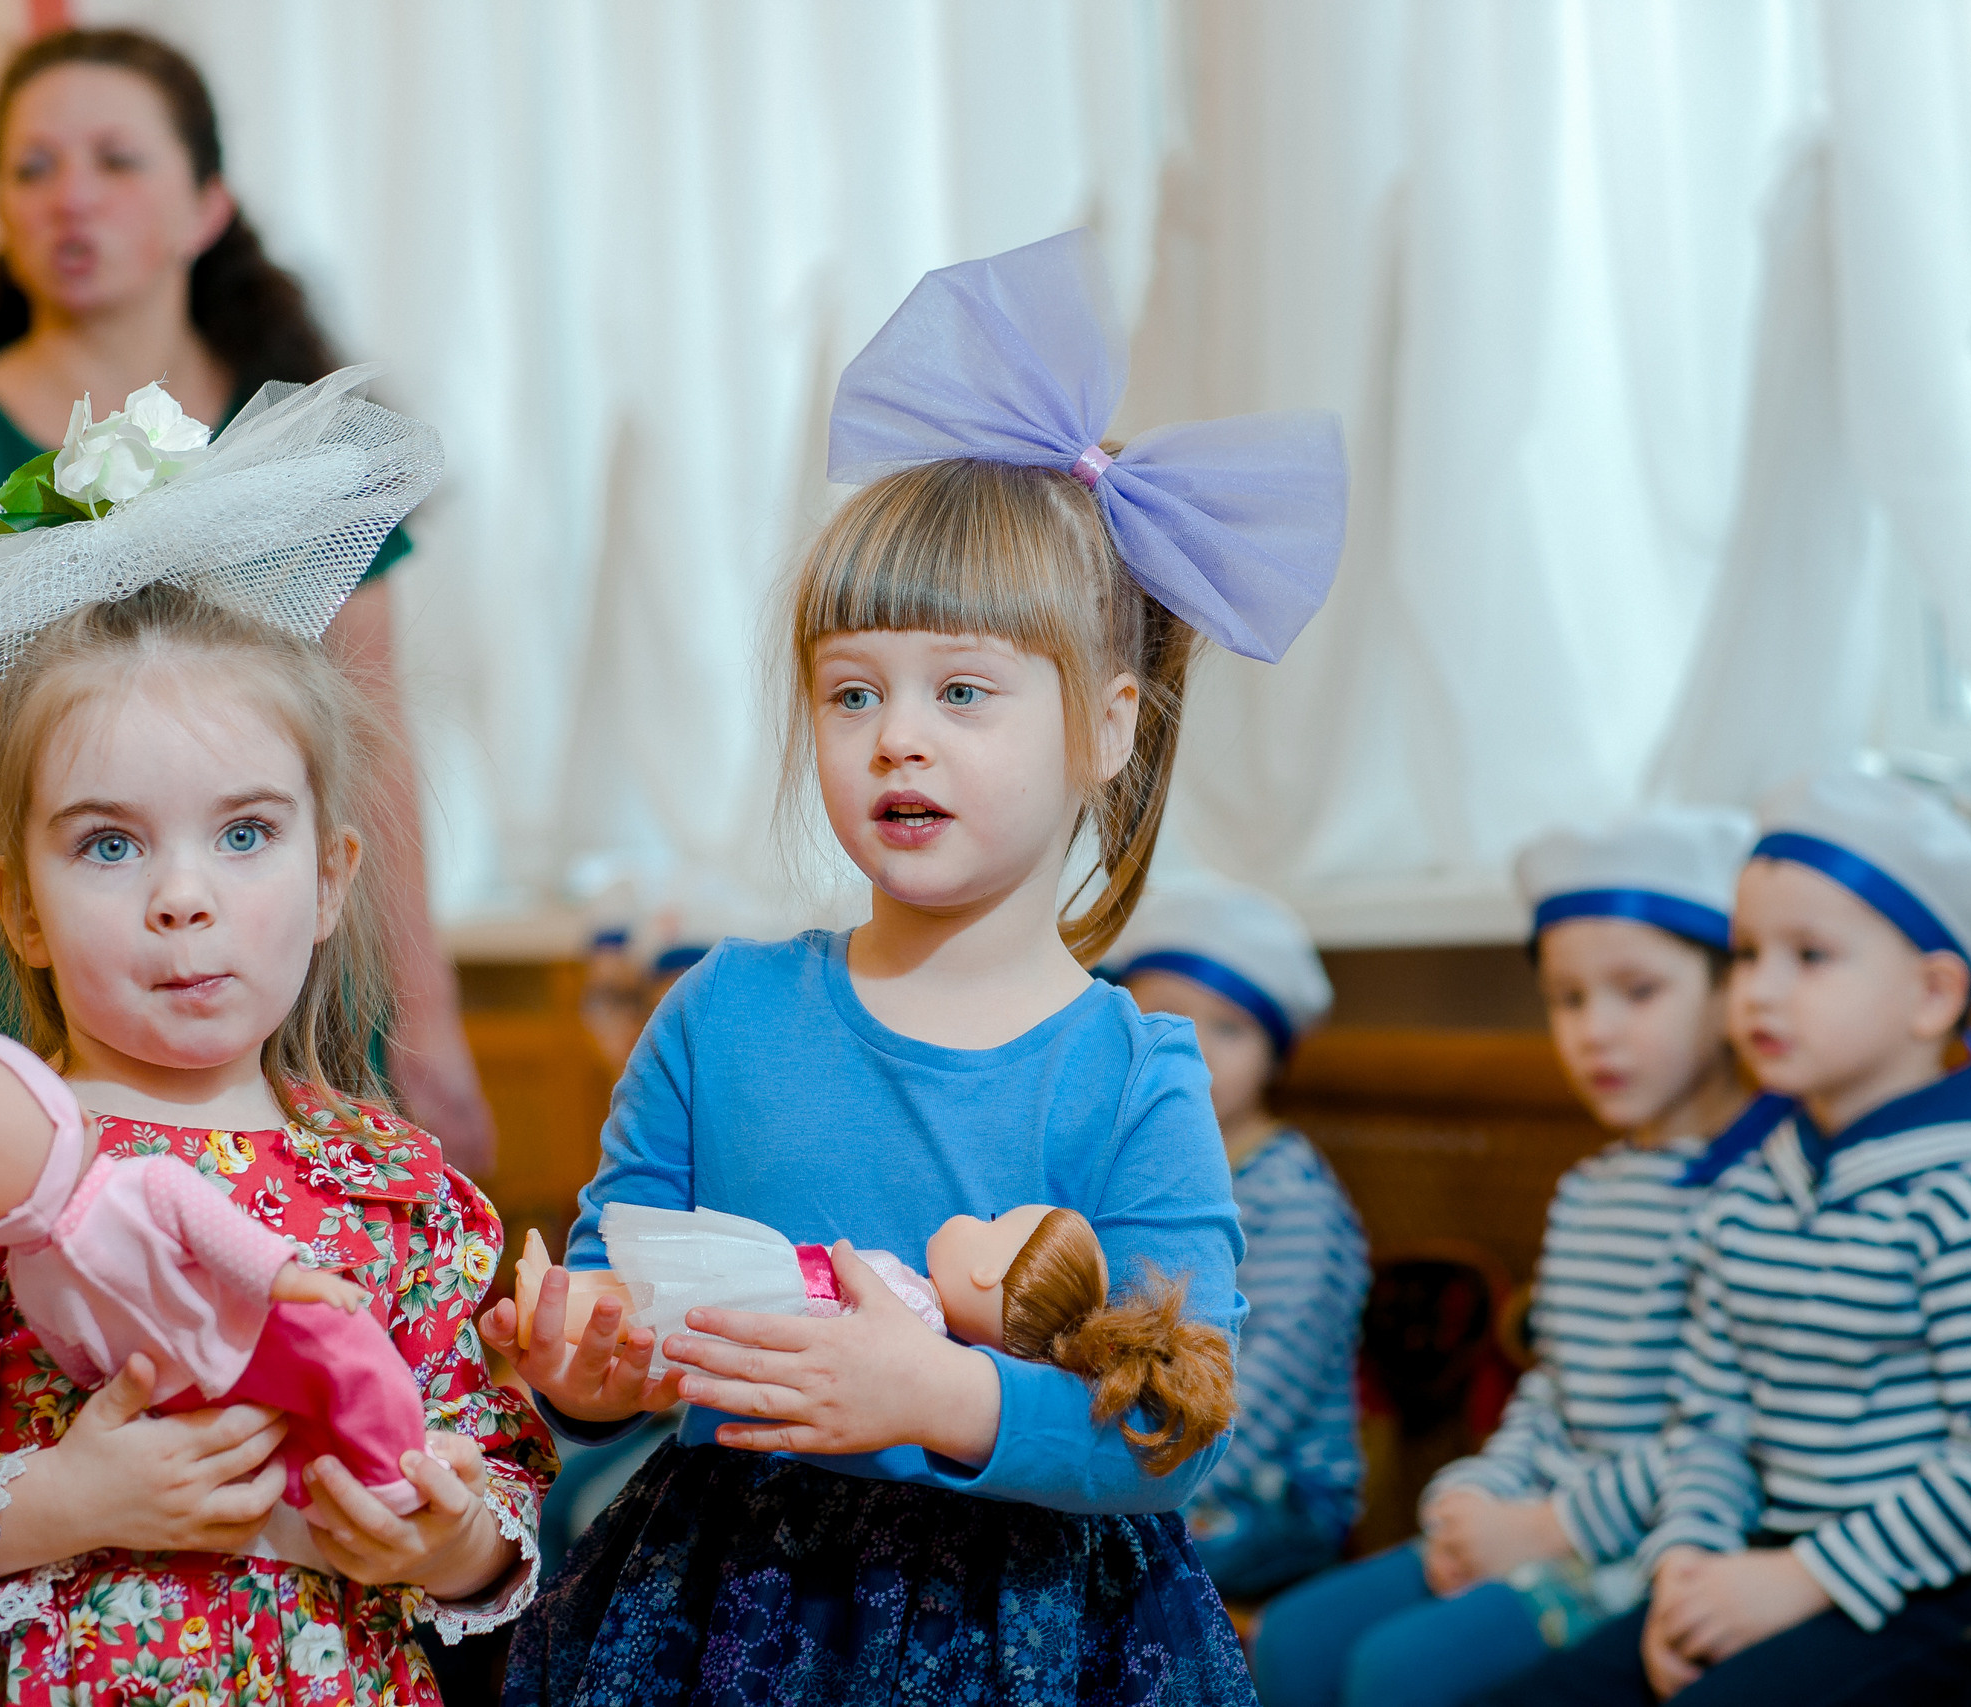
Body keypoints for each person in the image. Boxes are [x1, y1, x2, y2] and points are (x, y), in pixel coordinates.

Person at [480, 227, 1348, 1704]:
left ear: (1109, 723)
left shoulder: (1135, 1073)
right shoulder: (720, 1015)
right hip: (725, 1607)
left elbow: (1174, 1427)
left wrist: (943, 1392)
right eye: (852, 690)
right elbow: (622, 1294)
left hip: (1030, 1628)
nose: (899, 735)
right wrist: (582, 1367)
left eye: (963, 690)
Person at [0, 374, 554, 1706]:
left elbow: (499, 1474)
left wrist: (457, 1538)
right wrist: (54, 1497)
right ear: (16, 901)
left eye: (243, 832)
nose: (183, 895)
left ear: (329, 879)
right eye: (110, 841)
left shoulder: (404, 1193)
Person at [0, 25, 491, 1167]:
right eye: (33, 168)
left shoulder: (298, 442)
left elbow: (376, 750)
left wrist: (430, 1020)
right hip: (2, 980)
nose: (70, 198)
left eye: (116, 161)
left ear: (206, 206)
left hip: (271, 977)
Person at [1477, 769, 1971, 1705]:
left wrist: (1802, 1579)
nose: (1756, 991)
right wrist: (1686, 1561)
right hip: (1772, 1557)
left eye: (1808, 957)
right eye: (1749, 952)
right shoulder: (1755, 1186)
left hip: (1952, 1598)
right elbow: (1713, 1416)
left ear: (1932, 995)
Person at [1253, 807, 1770, 1707]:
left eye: (1637, 991)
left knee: (1398, 1671)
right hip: (1531, 1515)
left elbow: (1732, 1431)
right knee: (1297, 1640)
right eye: (1568, 999)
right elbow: (1552, 1388)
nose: (1593, 1031)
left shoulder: (1763, 1194)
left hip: (1646, 1546)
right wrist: (1476, 1494)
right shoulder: (1591, 1190)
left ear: (1730, 993)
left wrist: (1545, 1526)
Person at [1111, 881, 1371, 1600]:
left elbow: (1263, 1398)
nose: (1191, 1048)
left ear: (1275, 1055)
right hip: (1138, 1450)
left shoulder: (1294, 1201)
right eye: (1162, 1017)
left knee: (1100, 1571)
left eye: (1228, 1027)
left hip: (1270, 1487)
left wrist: (1132, 1482)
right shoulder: (1129, 1166)